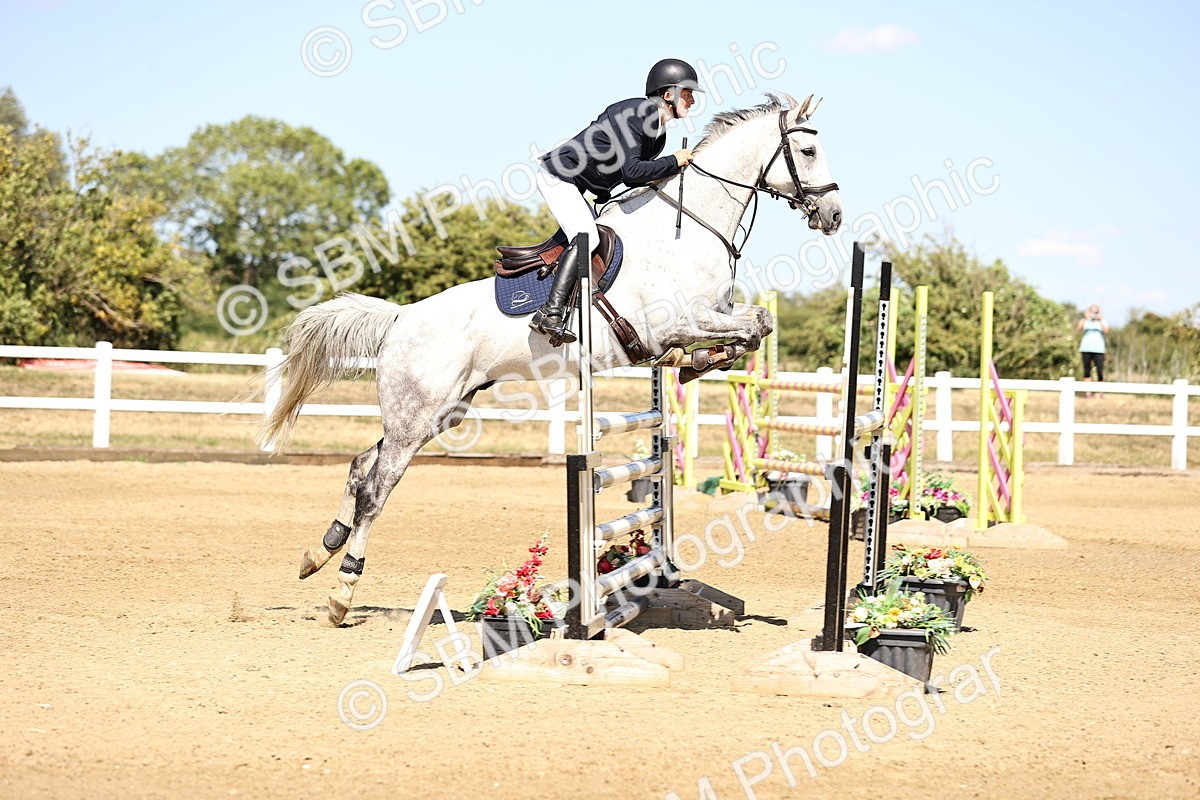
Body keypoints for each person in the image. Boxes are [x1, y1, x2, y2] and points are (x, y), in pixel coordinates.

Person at [528, 58, 702, 345]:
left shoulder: (657, 132)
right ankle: (550, 313)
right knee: (586, 237)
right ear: (668, 94)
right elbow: (633, 171)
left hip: (576, 185)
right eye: (688, 93)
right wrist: (673, 161)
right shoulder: (641, 113)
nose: (693, 100)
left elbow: (633, 179)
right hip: (559, 176)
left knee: (594, 235)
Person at [1076, 304, 1109, 397]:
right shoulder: (1085, 320)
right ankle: (1088, 393)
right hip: (1086, 348)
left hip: (1099, 349)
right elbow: (1078, 329)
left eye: (1096, 312)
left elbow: (1106, 331)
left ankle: (1101, 393)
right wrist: (1085, 318)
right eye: (1092, 312)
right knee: (1087, 371)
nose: (1094, 314)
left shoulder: (1102, 321)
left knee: (1100, 371)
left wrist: (1100, 320)